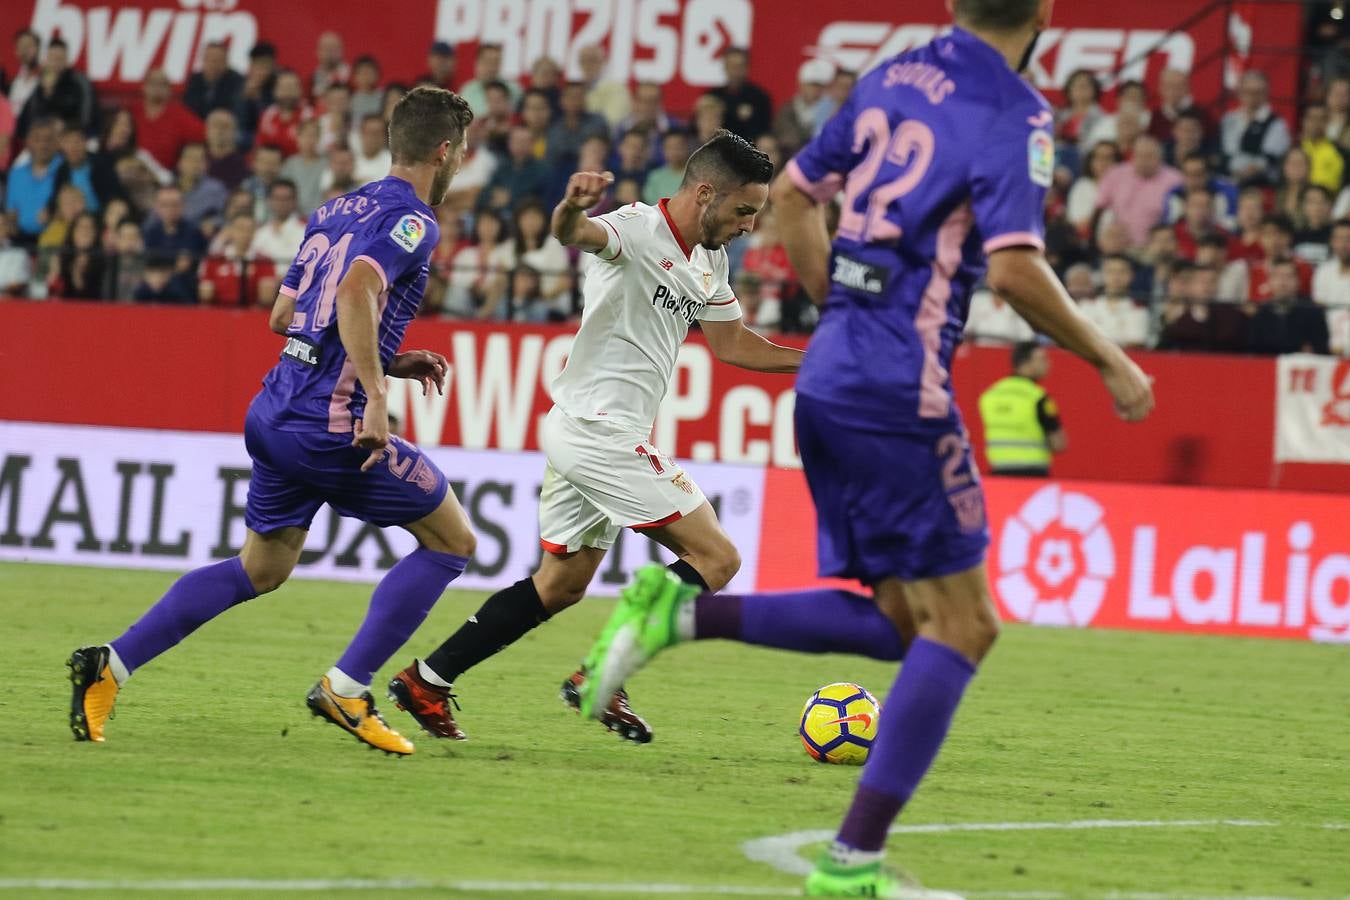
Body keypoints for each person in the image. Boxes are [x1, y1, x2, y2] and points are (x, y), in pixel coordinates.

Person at [573, 4, 1154, 898]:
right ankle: (850, 861)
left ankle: (675, 616)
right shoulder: (1018, 113)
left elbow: (799, 196)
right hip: (898, 386)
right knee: (967, 625)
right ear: (1043, 11)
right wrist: (1107, 354)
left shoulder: (893, 75)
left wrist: (835, 306)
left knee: (904, 625)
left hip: (831, 376)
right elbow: (1012, 268)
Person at [67, 86, 478, 757]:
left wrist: (388, 359)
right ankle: (347, 689)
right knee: (452, 542)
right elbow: (354, 290)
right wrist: (375, 392)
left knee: (262, 566)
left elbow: (285, 316)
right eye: (460, 150)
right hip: (330, 422)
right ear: (444, 150)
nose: (461, 160)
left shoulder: (333, 208)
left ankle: (109, 664)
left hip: (276, 409)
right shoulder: (415, 220)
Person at [389, 131, 801, 744]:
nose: (749, 225)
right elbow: (572, 233)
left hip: (592, 430)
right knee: (717, 558)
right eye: (744, 210)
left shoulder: (709, 258)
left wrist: (816, 364)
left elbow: (733, 344)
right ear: (706, 192)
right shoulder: (635, 229)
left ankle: (428, 679)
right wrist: (570, 206)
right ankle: (601, 677)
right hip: (596, 429)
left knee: (560, 585)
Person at [978, 341, 1067, 476]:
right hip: (1033, 475)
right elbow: (1059, 444)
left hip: (999, 473)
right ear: (1026, 363)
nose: (1048, 363)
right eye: (1042, 359)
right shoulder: (1038, 397)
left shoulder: (990, 395)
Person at [1246, 259, 1331, 354]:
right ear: (1270, 281)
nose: (1283, 283)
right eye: (1278, 277)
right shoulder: (1260, 314)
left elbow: (1322, 348)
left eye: (1288, 277)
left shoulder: (1313, 312)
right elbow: (1252, 351)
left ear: (1298, 281)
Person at [1221, 71, 1291, 185]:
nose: (1252, 96)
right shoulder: (1229, 119)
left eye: (1258, 92)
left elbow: (1269, 158)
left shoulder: (1277, 124)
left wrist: (1247, 170)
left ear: (1266, 93)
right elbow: (1225, 151)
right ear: (1239, 92)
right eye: (1247, 91)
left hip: (1260, 183)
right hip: (1228, 180)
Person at [130, 68, 205, 172]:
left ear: (170, 90)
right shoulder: (131, 113)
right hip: (133, 171)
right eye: (153, 82)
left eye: (162, 84)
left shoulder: (180, 115)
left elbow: (205, 135)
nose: (157, 87)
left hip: (165, 176)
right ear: (143, 87)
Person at [6, 117, 62, 244]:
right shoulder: (16, 173)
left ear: (57, 142)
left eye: (48, 139)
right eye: (37, 139)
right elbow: (11, 211)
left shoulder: (64, 170)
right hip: (20, 241)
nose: (43, 145)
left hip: (57, 242)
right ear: (28, 142)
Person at [704, 47, 773, 142]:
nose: (735, 71)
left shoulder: (759, 98)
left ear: (747, 68)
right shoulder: (713, 96)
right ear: (725, 67)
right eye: (732, 66)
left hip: (749, 150)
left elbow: (764, 131)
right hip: (716, 147)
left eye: (740, 66)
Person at [184, 41, 244, 120]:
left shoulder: (237, 81)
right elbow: (187, 106)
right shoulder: (195, 79)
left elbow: (233, 109)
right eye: (209, 59)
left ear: (226, 61)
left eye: (218, 60)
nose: (213, 63)